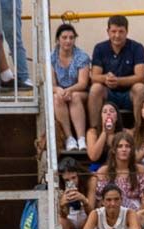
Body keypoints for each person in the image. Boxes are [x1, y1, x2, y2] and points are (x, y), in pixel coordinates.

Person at [87, 15, 144, 128]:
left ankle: (139, 130)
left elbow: (140, 77)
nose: (117, 35)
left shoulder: (137, 47)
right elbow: (94, 77)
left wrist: (118, 81)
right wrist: (106, 78)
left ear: (127, 31)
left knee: (140, 88)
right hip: (108, 93)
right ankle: (94, 130)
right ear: (108, 31)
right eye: (113, 31)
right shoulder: (100, 48)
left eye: (121, 31)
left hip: (129, 94)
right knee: (95, 88)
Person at [50, 23, 91, 153]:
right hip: (60, 92)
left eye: (71, 37)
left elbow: (83, 83)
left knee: (75, 97)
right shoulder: (51, 58)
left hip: (79, 91)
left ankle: (81, 138)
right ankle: (69, 138)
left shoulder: (82, 56)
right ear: (57, 39)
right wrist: (59, 90)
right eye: (64, 37)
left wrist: (70, 90)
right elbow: (51, 84)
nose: (68, 41)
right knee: (57, 97)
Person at [95, 131, 144, 210]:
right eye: (120, 146)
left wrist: (136, 216)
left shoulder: (140, 170)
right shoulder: (104, 171)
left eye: (127, 146)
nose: (124, 149)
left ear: (132, 150)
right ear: (114, 150)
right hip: (111, 211)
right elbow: (100, 200)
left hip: (137, 212)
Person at [57, 156, 95, 229]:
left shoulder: (90, 180)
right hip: (69, 219)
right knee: (59, 220)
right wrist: (62, 205)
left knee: (94, 217)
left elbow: (92, 212)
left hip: (85, 217)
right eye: (67, 180)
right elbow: (63, 216)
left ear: (79, 174)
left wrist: (83, 200)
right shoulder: (59, 185)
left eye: (74, 178)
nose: (72, 182)